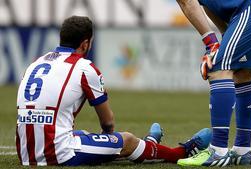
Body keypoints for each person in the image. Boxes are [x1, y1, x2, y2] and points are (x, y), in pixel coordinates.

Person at [15, 16, 212, 166]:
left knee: (83, 135)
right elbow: (107, 122)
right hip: (55, 153)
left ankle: (148, 144)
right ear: (85, 44)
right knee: (126, 139)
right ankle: (180, 152)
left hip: (25, 150)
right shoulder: (85, 68)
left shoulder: (36, 63)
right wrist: (112, 140)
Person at [176, 0, 251, 167]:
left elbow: (186, 2)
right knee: (242, 72)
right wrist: (223, 40)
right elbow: (210, 5)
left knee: (218, 69)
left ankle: (218, 151)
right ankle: (242, 151)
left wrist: (211, 44)